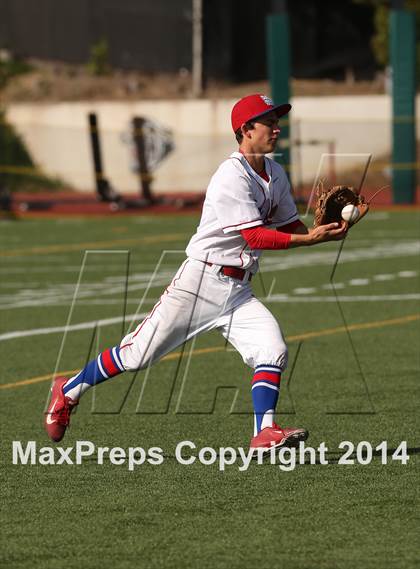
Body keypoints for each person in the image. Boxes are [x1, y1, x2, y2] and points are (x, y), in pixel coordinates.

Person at [45, 94, 346, 451]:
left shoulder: (275, 172)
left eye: (277, 119)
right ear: (246, 130)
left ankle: (263, 433)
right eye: (269, 121)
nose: (277, 127)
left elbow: (289, 224)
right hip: (200, 284)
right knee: (137, 355)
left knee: (272, 348)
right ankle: (67, 391)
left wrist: (322, 232)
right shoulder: (230, 176)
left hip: (238, 292)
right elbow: (254, 236)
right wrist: (309, 239)